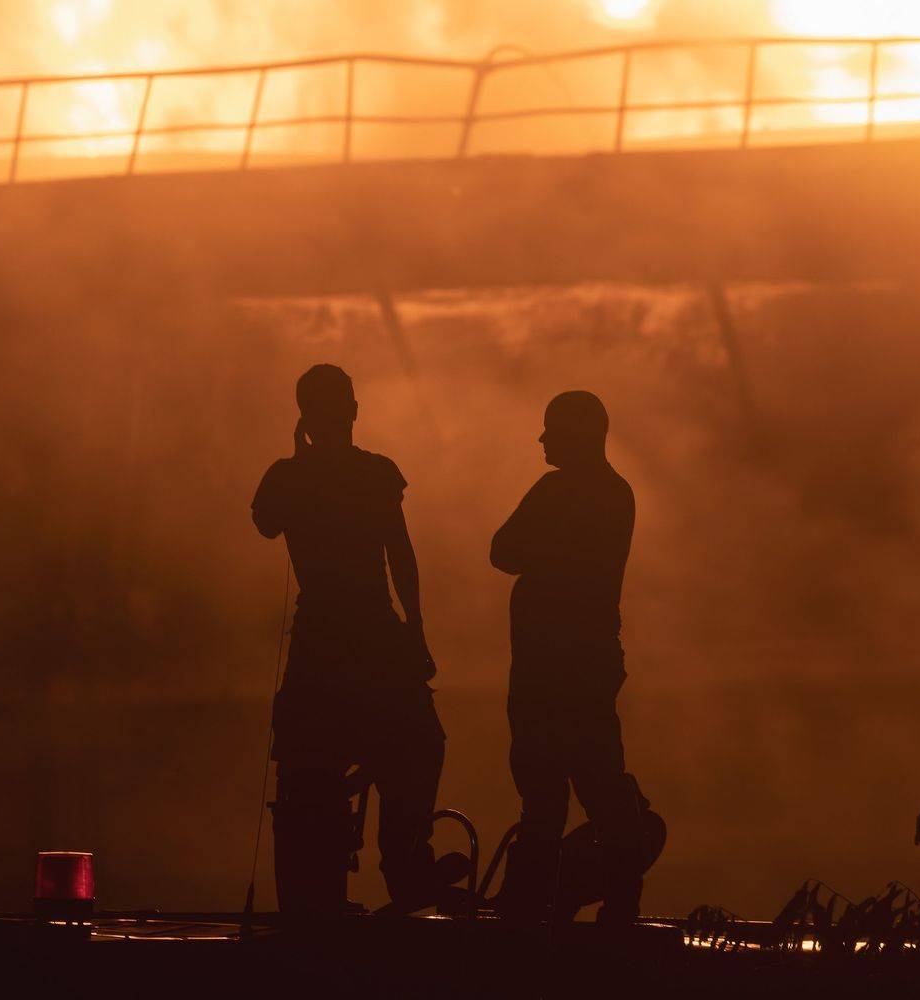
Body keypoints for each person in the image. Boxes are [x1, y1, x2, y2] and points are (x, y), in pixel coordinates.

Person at [252, 364, 445, 916]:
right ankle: (406, 863)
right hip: (373, 632)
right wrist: (416, 629)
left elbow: (265, 522)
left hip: (320, 640)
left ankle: (322, 888)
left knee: (314, 764)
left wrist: (296, 461)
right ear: (354, 410)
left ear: (305, 418)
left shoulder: (287, 478)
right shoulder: (377, 474)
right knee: (417, 745)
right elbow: (400, 556)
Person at [490, 390, 649, 925]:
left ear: (578, 436)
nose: (542, 440)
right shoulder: (617, 493)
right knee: (595, 778)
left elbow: (503, 550)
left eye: (552, 430)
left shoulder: (558, 491)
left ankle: (528, 906)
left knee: (547, 785)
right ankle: (614, 900)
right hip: (584, 661)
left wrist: (544, 549)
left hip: (552, 667)